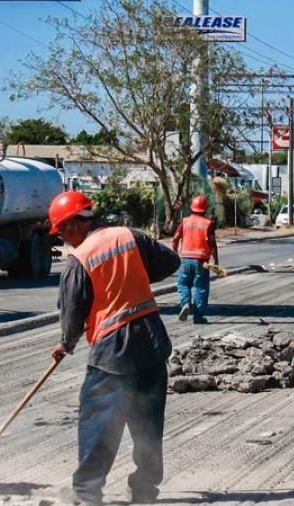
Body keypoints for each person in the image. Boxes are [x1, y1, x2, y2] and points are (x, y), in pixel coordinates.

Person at [48, 191, 180, 505]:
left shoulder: (78, 261)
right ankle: (144, 492)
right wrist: (134, 277)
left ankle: (86, 495)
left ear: (75, 223)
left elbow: (71, 312)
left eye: (62, 231)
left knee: (98, 423)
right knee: (148, 425)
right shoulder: (129, 236)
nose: (64, 239)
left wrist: (65, 344)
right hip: (151, 343)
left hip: (113, 353)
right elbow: (171, 261)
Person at [173, 195, 219, 324]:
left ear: (191, 208)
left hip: (186, 259)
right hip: (201, 261)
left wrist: (175, 252)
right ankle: (198, 316)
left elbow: (175, 238)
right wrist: (216, 261)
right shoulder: (208, 224)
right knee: (201, 287)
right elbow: (212, 244)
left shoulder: (185, 222)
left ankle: (186, 303)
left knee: (183, 283)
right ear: (205, 209)